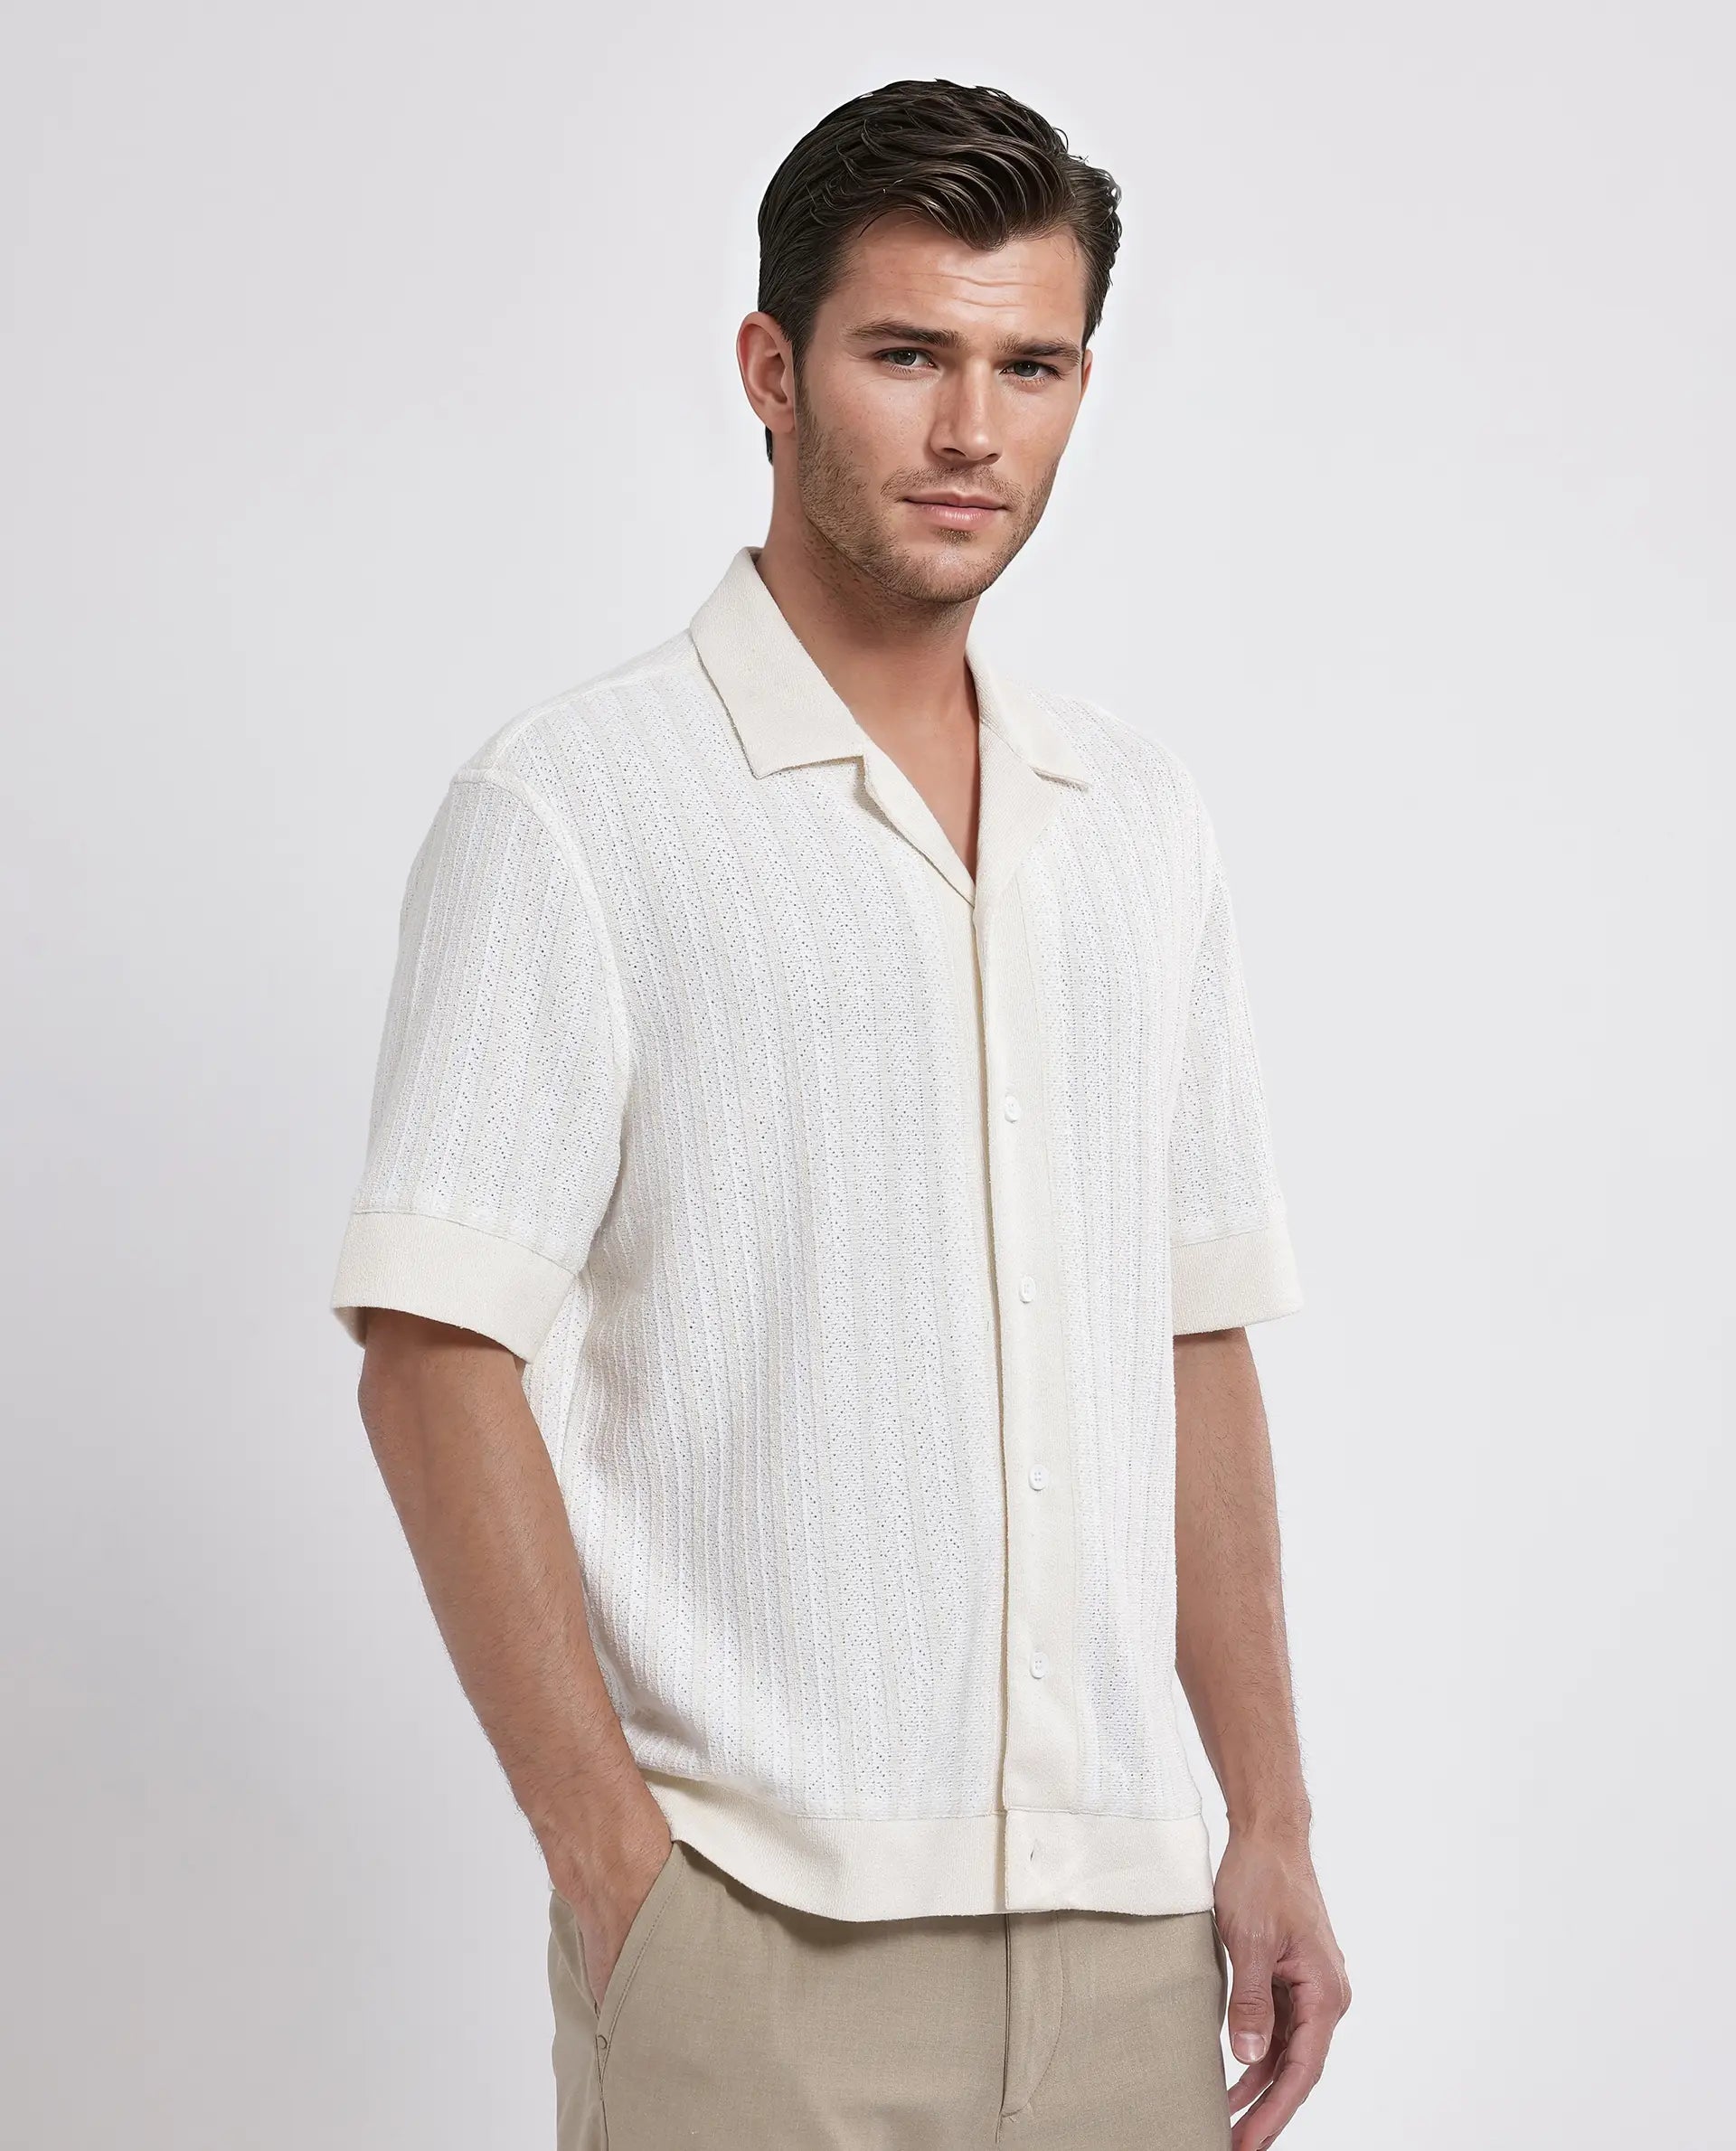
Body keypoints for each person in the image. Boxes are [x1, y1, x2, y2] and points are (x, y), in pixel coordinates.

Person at [328, 76, 1350, 2151]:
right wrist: (622, 1876)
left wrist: (1269, 1813)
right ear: (771, 370)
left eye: (1029, 364)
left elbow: (1192, 1334)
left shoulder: (1137, 823)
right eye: (907, 354)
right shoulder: (577, 808)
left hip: (1130, 1946)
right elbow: (434, 1350)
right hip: (750, 1940)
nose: (972, 428)